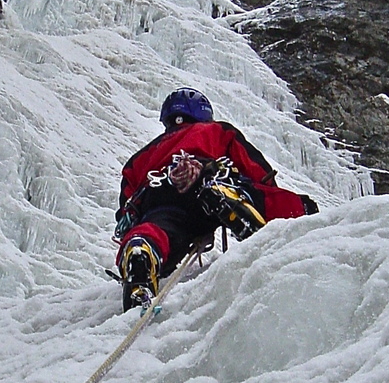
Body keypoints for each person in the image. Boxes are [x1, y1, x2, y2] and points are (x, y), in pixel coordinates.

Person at [114, 87, 319, 311]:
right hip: (204, 177)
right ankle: (226, 197)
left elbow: (127, 204)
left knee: (156, 230)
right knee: (251, 194)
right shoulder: (215, 130)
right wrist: (280, 198)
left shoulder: (143, 155)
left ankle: (142, 250)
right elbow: (255, 169)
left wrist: (132, 227)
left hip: (158, 194)